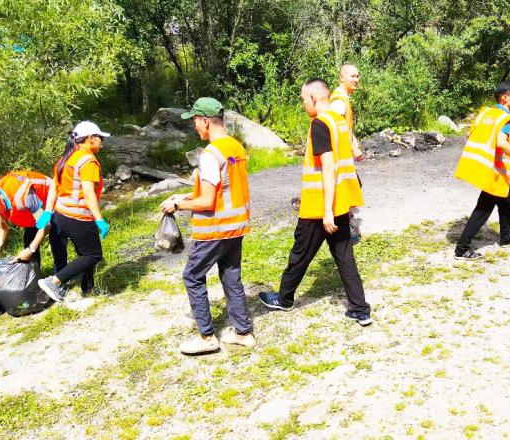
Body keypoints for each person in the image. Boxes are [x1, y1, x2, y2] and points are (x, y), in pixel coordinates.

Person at [259, 79, 372, 326]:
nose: (302, 104)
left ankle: (284, 299)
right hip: (339, 201)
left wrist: (327, 212)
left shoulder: (320, 124)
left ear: (313, 98)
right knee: (344, 255)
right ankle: (360, 309)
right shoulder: (338, 121)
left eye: (302, 99)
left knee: (300, 252)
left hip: (321, 205)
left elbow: (329, 167)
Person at [159, 97, 255, 354]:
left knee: (192, 276)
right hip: (236, 225)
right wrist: (184, 196)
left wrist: (177, 206)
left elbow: (209, 200)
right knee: (230, 274)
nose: (195, 128)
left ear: (204, 120)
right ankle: (243, 332)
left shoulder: (211, 154)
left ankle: (206, 338)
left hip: (215, 228)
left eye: (195, 122)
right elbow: (222, 188)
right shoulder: (235, 147)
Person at [453, 81, 510, 260]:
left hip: (485, 165)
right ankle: (462, 249)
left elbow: (469, 134)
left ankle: (506, 237)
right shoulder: (504, 118)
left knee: (507, 199)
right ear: (505, 97)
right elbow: (501, 143)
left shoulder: (486, 113)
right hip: (493, 170)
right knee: (484, 207)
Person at [38, 121, 110, 301]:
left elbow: (54, 186)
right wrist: (99, 219)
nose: (102, 142)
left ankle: (88, 288)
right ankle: (54, 282)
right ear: (91, 139)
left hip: (61, 214)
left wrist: (48, 211)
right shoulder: (88, 161)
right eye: (100, 138)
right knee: (93, 255)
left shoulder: (66, 157)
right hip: (79, 216)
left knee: (84, 253)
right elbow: (88, 193)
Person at [0, 171, 67, 271]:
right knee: (29, 240)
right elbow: (3, 228)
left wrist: (31, 250)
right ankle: (34, 276)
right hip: (32, 211)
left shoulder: (22, 195)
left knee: (56, 240)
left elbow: (46, 225)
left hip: (54, 201)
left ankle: (61, 278)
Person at [330, 63, 364, 160]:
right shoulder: (338, 100)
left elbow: (346, 126)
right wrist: (354, 148)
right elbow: (337, 128)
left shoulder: (343, 98)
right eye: (352, 76)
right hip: (339, 154)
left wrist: (355, 146)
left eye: (357, 76)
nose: (356, 80)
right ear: (341, 78)